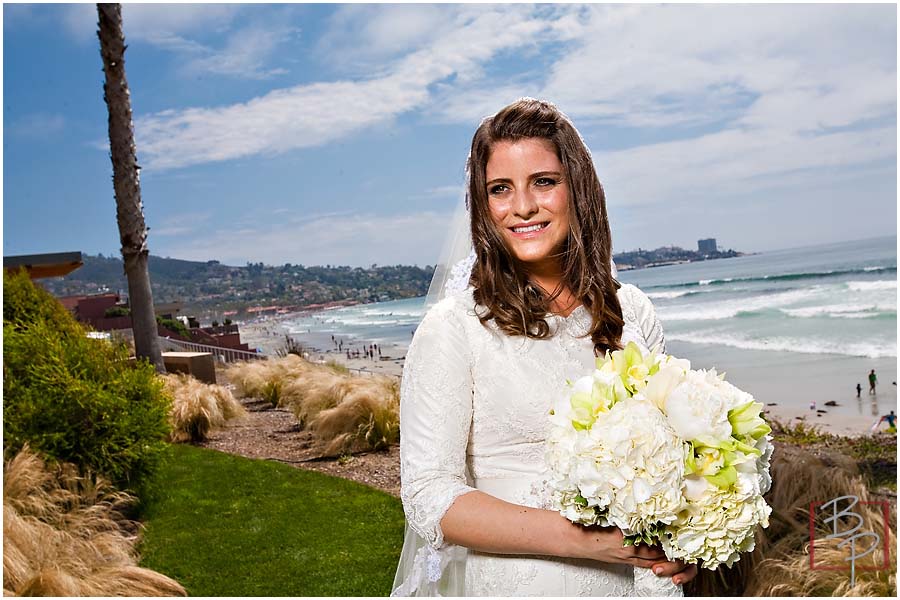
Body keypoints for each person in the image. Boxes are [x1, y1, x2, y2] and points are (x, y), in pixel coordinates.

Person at [393, 99, 696, 597]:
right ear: (482, 204)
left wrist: (688, 547)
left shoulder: (633, 312)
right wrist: (589, 542)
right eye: (500, 189)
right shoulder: (453, 329)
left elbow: (675, 456)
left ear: (578, 188)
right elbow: (429, 498)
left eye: (544, 181)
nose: (523, 206)